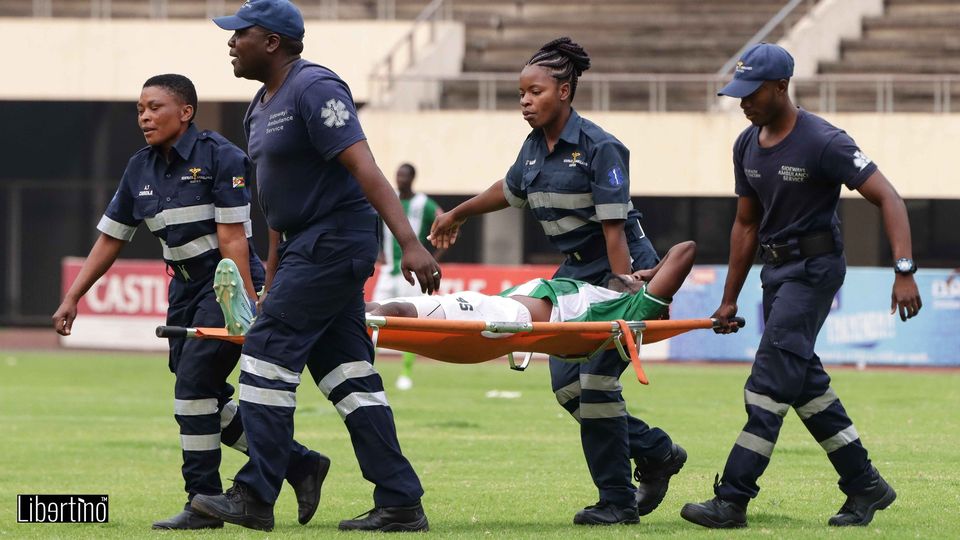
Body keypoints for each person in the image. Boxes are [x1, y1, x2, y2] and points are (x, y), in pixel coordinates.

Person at [194, 0, 441, 532]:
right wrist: (272, 274)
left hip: (334, 241)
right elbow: (275, 202)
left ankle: (256, 495)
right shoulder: (259, 105)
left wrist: (410, 242)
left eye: (240, 33)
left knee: (265, 355)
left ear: (272, 42)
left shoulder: (315, 87)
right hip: (304, 248)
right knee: (349, 376)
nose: (231, 42)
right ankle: (401, 501)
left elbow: (365, 166)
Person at [51, 74, 328, 530]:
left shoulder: (223, 157)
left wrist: (249, 302)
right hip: (182, 289)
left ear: (186, 112)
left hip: (225, 283)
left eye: (154, 107)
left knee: (194, 387)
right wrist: (73, 296)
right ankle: (298, 464)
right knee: (202, 394)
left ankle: (202, 500)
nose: (144, 117)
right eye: (139, 109)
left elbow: (233, 239)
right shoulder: (138, 168)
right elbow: (111, 238)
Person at [429, 37, 686, 525]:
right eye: (521, 94)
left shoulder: (600, 147)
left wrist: (621, 292)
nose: (525, 101)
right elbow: (509, 190)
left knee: (596, 383)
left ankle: (616, 502)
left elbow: (614, 231)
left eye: (535, 92)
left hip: (622, 271)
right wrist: (458, 213)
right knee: (568, 386)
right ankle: (656, 452)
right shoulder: (532, 147)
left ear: (564, 91)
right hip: (575, 271)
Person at [680, 43, 922, 530]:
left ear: (780, 87)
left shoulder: (825, 142)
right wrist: (728, 298)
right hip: (775, 276)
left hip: (815, 273)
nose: (743, 102)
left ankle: (733, 497)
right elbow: (745, 225)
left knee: (768, 382)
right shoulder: (746, 145)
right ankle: (865, 484)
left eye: (751, 93)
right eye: (738, 93)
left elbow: (889, 197)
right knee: (803, 384)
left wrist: (903, 270)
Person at [369, 241, 695, 326]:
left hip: (506, 315)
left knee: (397, 311)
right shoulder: (607, 294)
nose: (632, 275)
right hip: (503, 305)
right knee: (387, 310)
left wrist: (649, 275)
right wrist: (639, 277)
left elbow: (685, 250)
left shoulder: (639, 307)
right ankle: (349, 315)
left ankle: (347, 321)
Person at [371, 162, 446, 390]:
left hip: (412, 273)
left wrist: (432, 257)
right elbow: (369, 219)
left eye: (404, 176)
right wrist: (378, 252)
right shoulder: (389, 198)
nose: (400, 179)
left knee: (411, 323)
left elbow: (443, 221)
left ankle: (405, 373)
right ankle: (366, 367)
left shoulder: (423, 203)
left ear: (412, 178)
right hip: (388, 271)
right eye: (398, 175)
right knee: (370, 318)